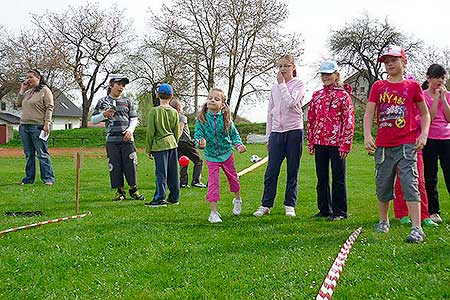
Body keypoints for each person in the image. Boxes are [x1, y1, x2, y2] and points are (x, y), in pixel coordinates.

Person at [363, 45, 430, 243]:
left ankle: (416, 227)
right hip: (383, 146)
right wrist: (367, 135)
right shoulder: (378, 86)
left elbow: (425, 114)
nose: (390, 64)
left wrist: (423, 135)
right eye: (386, 61)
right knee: (383, 185)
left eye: (394, 59)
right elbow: (369, 113)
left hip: (407, 145)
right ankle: (383, 221)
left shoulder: (413, 86)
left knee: (410, 183)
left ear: (404, 61)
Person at [253, 54, 306, 217]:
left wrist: (283, 84)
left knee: (292, 170)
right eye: (280, 66)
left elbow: (291, 103)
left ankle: (290, 205)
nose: (282, 69)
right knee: (271, 171)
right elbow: (270, 112)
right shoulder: (274, 87)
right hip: (277, 133)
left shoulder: (299, 84)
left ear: (293, 67)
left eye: (286, 66)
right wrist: (268, 136)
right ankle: (266, 204)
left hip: (294, 131)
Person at [307, 60, 355, 221]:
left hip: (337, 144)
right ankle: (324, 209)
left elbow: (348, 121)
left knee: (338, 177)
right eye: (323, 74)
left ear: (336, 75)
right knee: (321, 177)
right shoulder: (317, 96)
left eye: (328, 74)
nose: (325, 77)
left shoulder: (343, 96)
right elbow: (311, 119)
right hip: (320, 142)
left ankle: (340, 211)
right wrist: (311, 141)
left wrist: (345, 144)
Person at [193, 88, 246, 223]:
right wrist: (200, 142)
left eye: (216, 99)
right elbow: (197, 135)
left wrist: (238, 145)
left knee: (233, 179)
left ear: (222, 104)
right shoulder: (201, 119)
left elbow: (234, 135)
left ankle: (238, 199)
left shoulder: (226, 119)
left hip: (226, 153)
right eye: (210, 98)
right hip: (211, 156)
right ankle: (213, 212)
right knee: (213, 183)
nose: (212, 100)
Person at [91, 76, 145, 201]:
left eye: (123, 85)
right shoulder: (103, 101)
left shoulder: (128, 101)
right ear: (111, 85)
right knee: (115, 166)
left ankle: (134, 189)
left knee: (131, 165)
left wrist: (130, 131)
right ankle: (120, 191)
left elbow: (134, 118)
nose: (121, 87)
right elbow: (93, 120)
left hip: (127, 140)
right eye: (118, 84)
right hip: (112, 141)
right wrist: (103, 115)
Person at [421, 64, 450, 224]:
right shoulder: (423, 95)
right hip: (430, 138)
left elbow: (449, 118)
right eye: (436, 77)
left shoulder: (448, 95)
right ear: (428, 78)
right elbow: (429, 117)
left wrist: (444, 99)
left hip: (446, 138)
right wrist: (436, 99)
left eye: (442, 77)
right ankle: (434, 211)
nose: (439, 81)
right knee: (430, 175)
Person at [16, 69, 55, 185]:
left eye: (30, 77)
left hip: (37, 127)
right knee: (29, 154)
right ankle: (28, 179)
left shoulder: (45, 90)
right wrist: (22, 90)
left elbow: (49, 107)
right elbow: (18, 104)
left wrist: (47, 123)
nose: (28, 80)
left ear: (38, 78)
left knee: (42, 153)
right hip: (24, 126)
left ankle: (48, 179)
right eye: (27, 77)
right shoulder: (27, 92)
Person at [145, 83, 180, 207]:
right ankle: (174, 197)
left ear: (157, 95)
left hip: (159, 146)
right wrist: (174, 142)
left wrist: (148, 149)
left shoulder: (154, 111)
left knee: (161, 173)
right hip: (172, 144)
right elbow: (177, 131)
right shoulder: (175, 112)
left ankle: (160, 198)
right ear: (171, 96)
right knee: (173, 172)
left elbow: (150, 132)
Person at [170, 99, 207, 188]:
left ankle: (183, 183)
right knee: (199, 161)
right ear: (179, 108)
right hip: (185, 142)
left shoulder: (170, 117)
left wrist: (174, 142)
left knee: (183, 161)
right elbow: (181, 129)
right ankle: (196, 181)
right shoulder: (182, 117)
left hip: (177, 143)